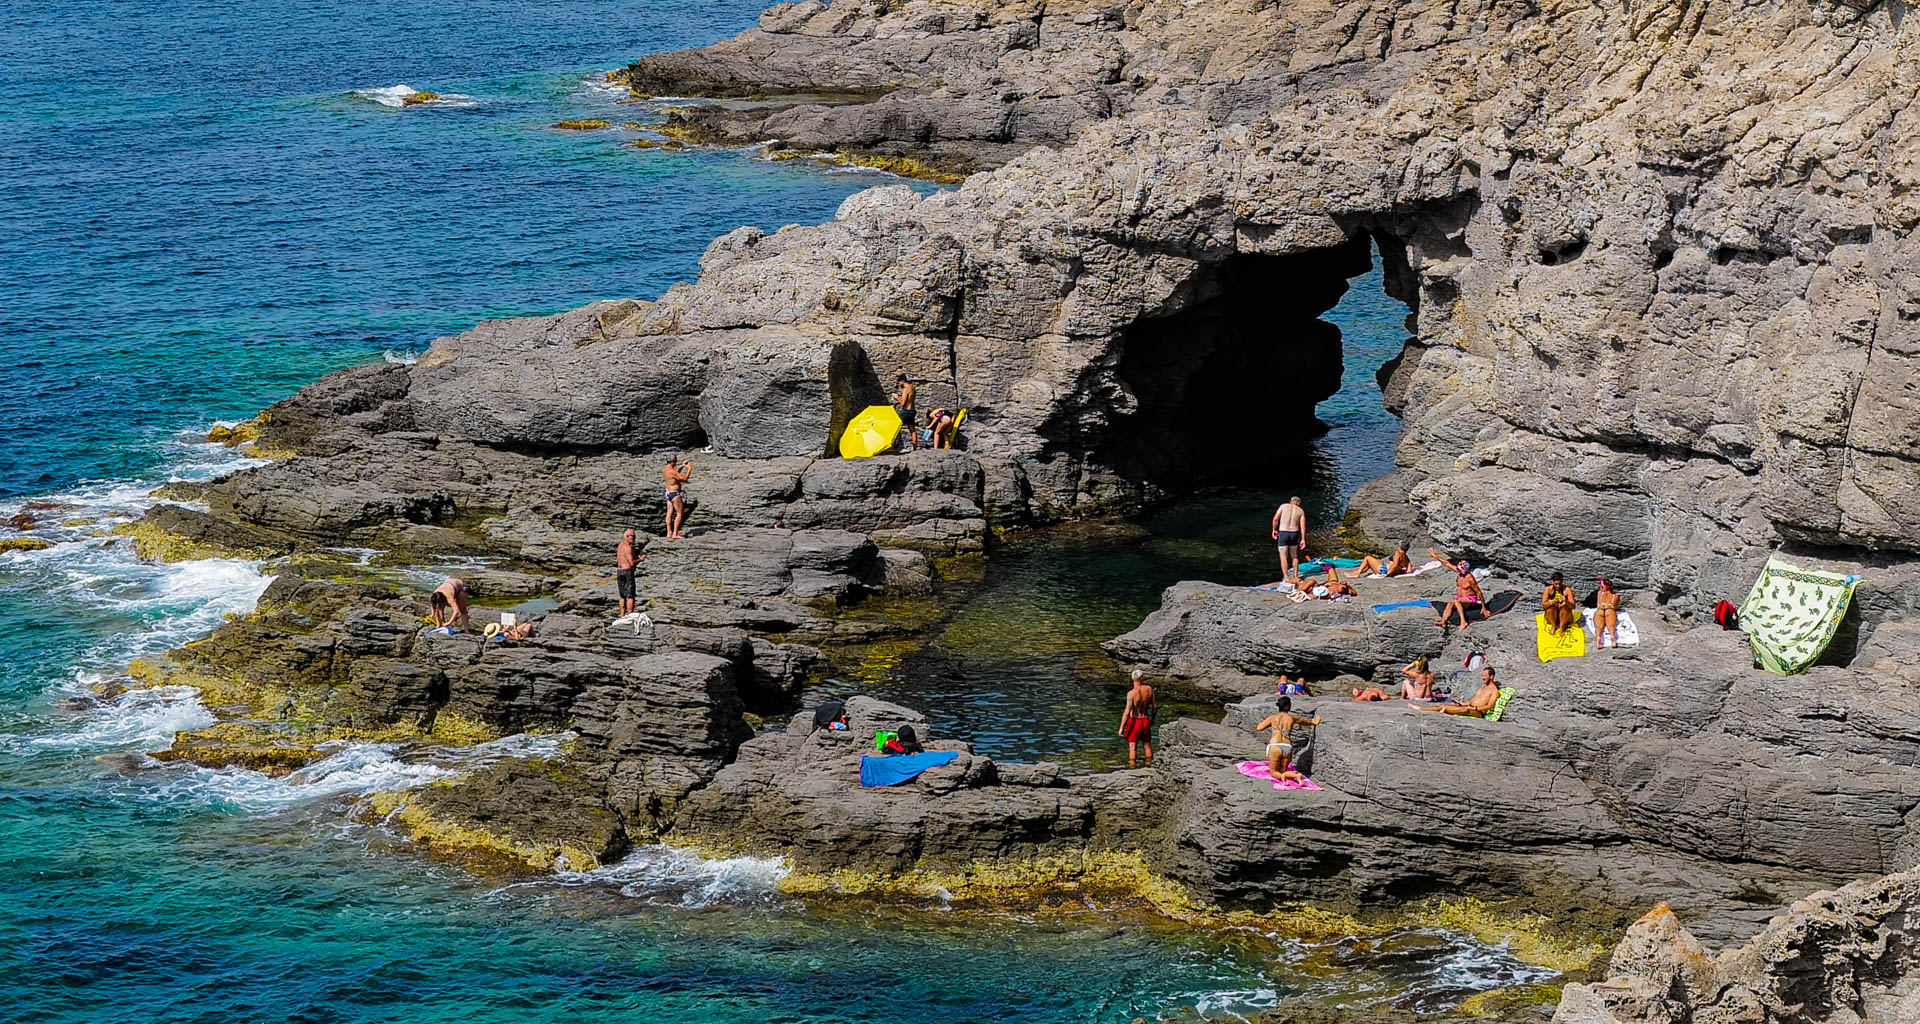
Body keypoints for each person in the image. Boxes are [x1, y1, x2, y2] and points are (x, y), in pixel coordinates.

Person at [1255, 696, 1320, 774]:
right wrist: (1315, 722)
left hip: (1275, 745)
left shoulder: (1272, 718)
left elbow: (1259, 728)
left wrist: (1272, 725)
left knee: (1274, 772)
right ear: (1288, 706)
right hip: (1287, 746)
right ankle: (1294, 776)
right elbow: (1306, 722)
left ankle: (1292, 777)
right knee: (1283, 772)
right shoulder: (1292, 718)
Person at [1431, 548, 1484, 631]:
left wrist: (1484, 607)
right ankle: (1443, 621)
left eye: (1460, 570)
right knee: (1450, 604)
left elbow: (1479, 592)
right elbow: (1447, 563)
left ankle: (1463, 622)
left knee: (1456, 601)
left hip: (1470, 600)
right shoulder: (1459, 573)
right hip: (1461, 599)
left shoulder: (1470, 578)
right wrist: (1435, 556)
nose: (1458, 571)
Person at [1118, 669, 1158, 769]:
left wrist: (1121, 727)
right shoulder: (1149, 689)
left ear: (1132, 679)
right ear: (1142, 678)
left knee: (1132, 746)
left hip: (1134, 721)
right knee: (1147, 745)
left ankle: (1132, 767)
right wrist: (1152, 719)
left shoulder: (1131, 694)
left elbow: (1127, 712)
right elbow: (1155, 706)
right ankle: (1149, 765)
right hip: (1145, 720)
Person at [1421, 667, 1502, 716]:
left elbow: (1489, 706)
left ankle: (1446, 710)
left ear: (1491, 676)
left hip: (1478, 712)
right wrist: (1462, 703)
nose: (1483, 678)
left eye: (1485, 676)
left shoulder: (1494, 691)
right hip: (1469, 707)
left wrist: (1475, 708)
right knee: (1443, 705)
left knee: (1464, 710)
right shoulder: (1483, 688)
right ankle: (1421, 708)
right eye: (1482, 675)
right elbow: (1472, 701)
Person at [1271, 496, 1307, 580]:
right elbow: (1303, 527)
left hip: (1283, 532)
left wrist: (1274, 529)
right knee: (1294, 556)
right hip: (1294, 533)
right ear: (1298, 503)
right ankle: (1296, 576)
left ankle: (1286, 578)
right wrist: (1303, 539)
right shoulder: (1301, 511)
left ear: (1291, 501)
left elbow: (1275, 519)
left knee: (1283, 556)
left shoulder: (1283, 506)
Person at [662, 456, 693, 540]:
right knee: (680, 513)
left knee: (669, 513)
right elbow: (684, 478)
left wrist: (682, 466)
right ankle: (675, 533)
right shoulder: (672, 471)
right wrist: (689, 468)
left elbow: (675, 474)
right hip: (674, 494)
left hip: (668, 493)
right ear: (674, 461)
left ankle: (669, 532)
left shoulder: (665, 469)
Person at [1346, 541, 1412, 579]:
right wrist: (1400, 571)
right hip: (1387, 569)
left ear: (1400, 547)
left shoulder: (1398, 553)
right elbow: (1409, 570)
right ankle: (1354, 573)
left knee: (1367, 558)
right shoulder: (1406, 557)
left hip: (1384, 570)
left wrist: (1387, 574)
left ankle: (1357, 574)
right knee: (1368, 564)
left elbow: (1394, 565)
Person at [615, 528, 642, 616]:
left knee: (622, 595)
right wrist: (640, 559)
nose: (633, 538)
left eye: (634, 536)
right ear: (626, 536)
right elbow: (631, 563)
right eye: (632, 536)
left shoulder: (620, 545)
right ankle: (630, 614)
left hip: (620, 572)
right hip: (627, 572)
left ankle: (622, 615)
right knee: (630, 595)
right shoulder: (628, 548)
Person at [893, 374, 918, 450]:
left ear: (902, 381)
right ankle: (915, 447)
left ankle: (893, 446)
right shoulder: (912, 388)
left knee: (895, 427)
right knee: (912, 429)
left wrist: (897, 398)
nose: (899, 384)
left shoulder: (906, 389)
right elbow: (909, 400)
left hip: (906, 411)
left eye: (899, 383)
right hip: (912, 411)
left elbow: (903, 404)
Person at [1595, 577, 1621, 648]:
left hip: (1600, 610)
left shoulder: (1599, 593)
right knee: (1611, 626)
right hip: (1610, 609)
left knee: (1599, 627)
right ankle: (1613, 638)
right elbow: (1615, 606)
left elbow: (1598, 605)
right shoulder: (1616, 596)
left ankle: (1598, 641)